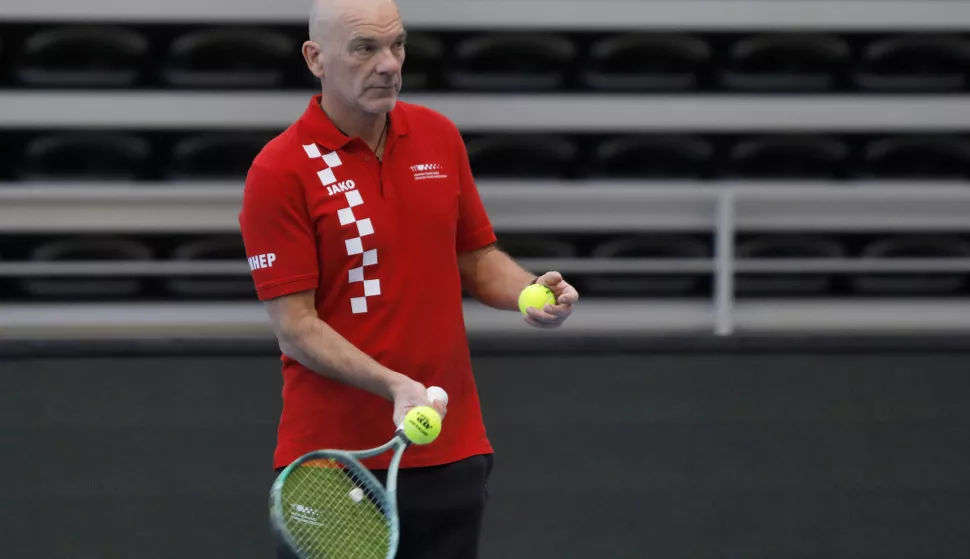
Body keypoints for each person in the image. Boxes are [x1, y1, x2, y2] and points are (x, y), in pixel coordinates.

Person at [238, 0, 580, 556]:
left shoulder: (438, 137)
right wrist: (395, 386)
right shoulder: (280, 171)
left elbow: (474, 257)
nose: (389, 64)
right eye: (365, 49)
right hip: (334, 464)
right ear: (315, 58)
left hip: (451, 446)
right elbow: (296, 328)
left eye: (397, 45)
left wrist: (527, 293)